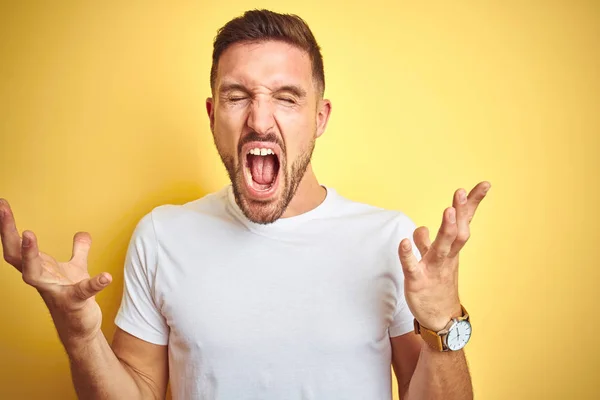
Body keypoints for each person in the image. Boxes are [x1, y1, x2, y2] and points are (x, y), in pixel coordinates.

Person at [0, 9, 490, 400]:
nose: (259, 119)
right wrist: (81, 337)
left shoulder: (389, 241)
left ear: (319, 117)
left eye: (286, 98)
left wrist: (444, 323)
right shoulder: (162, 236)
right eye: (237, 96)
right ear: (213, 114)